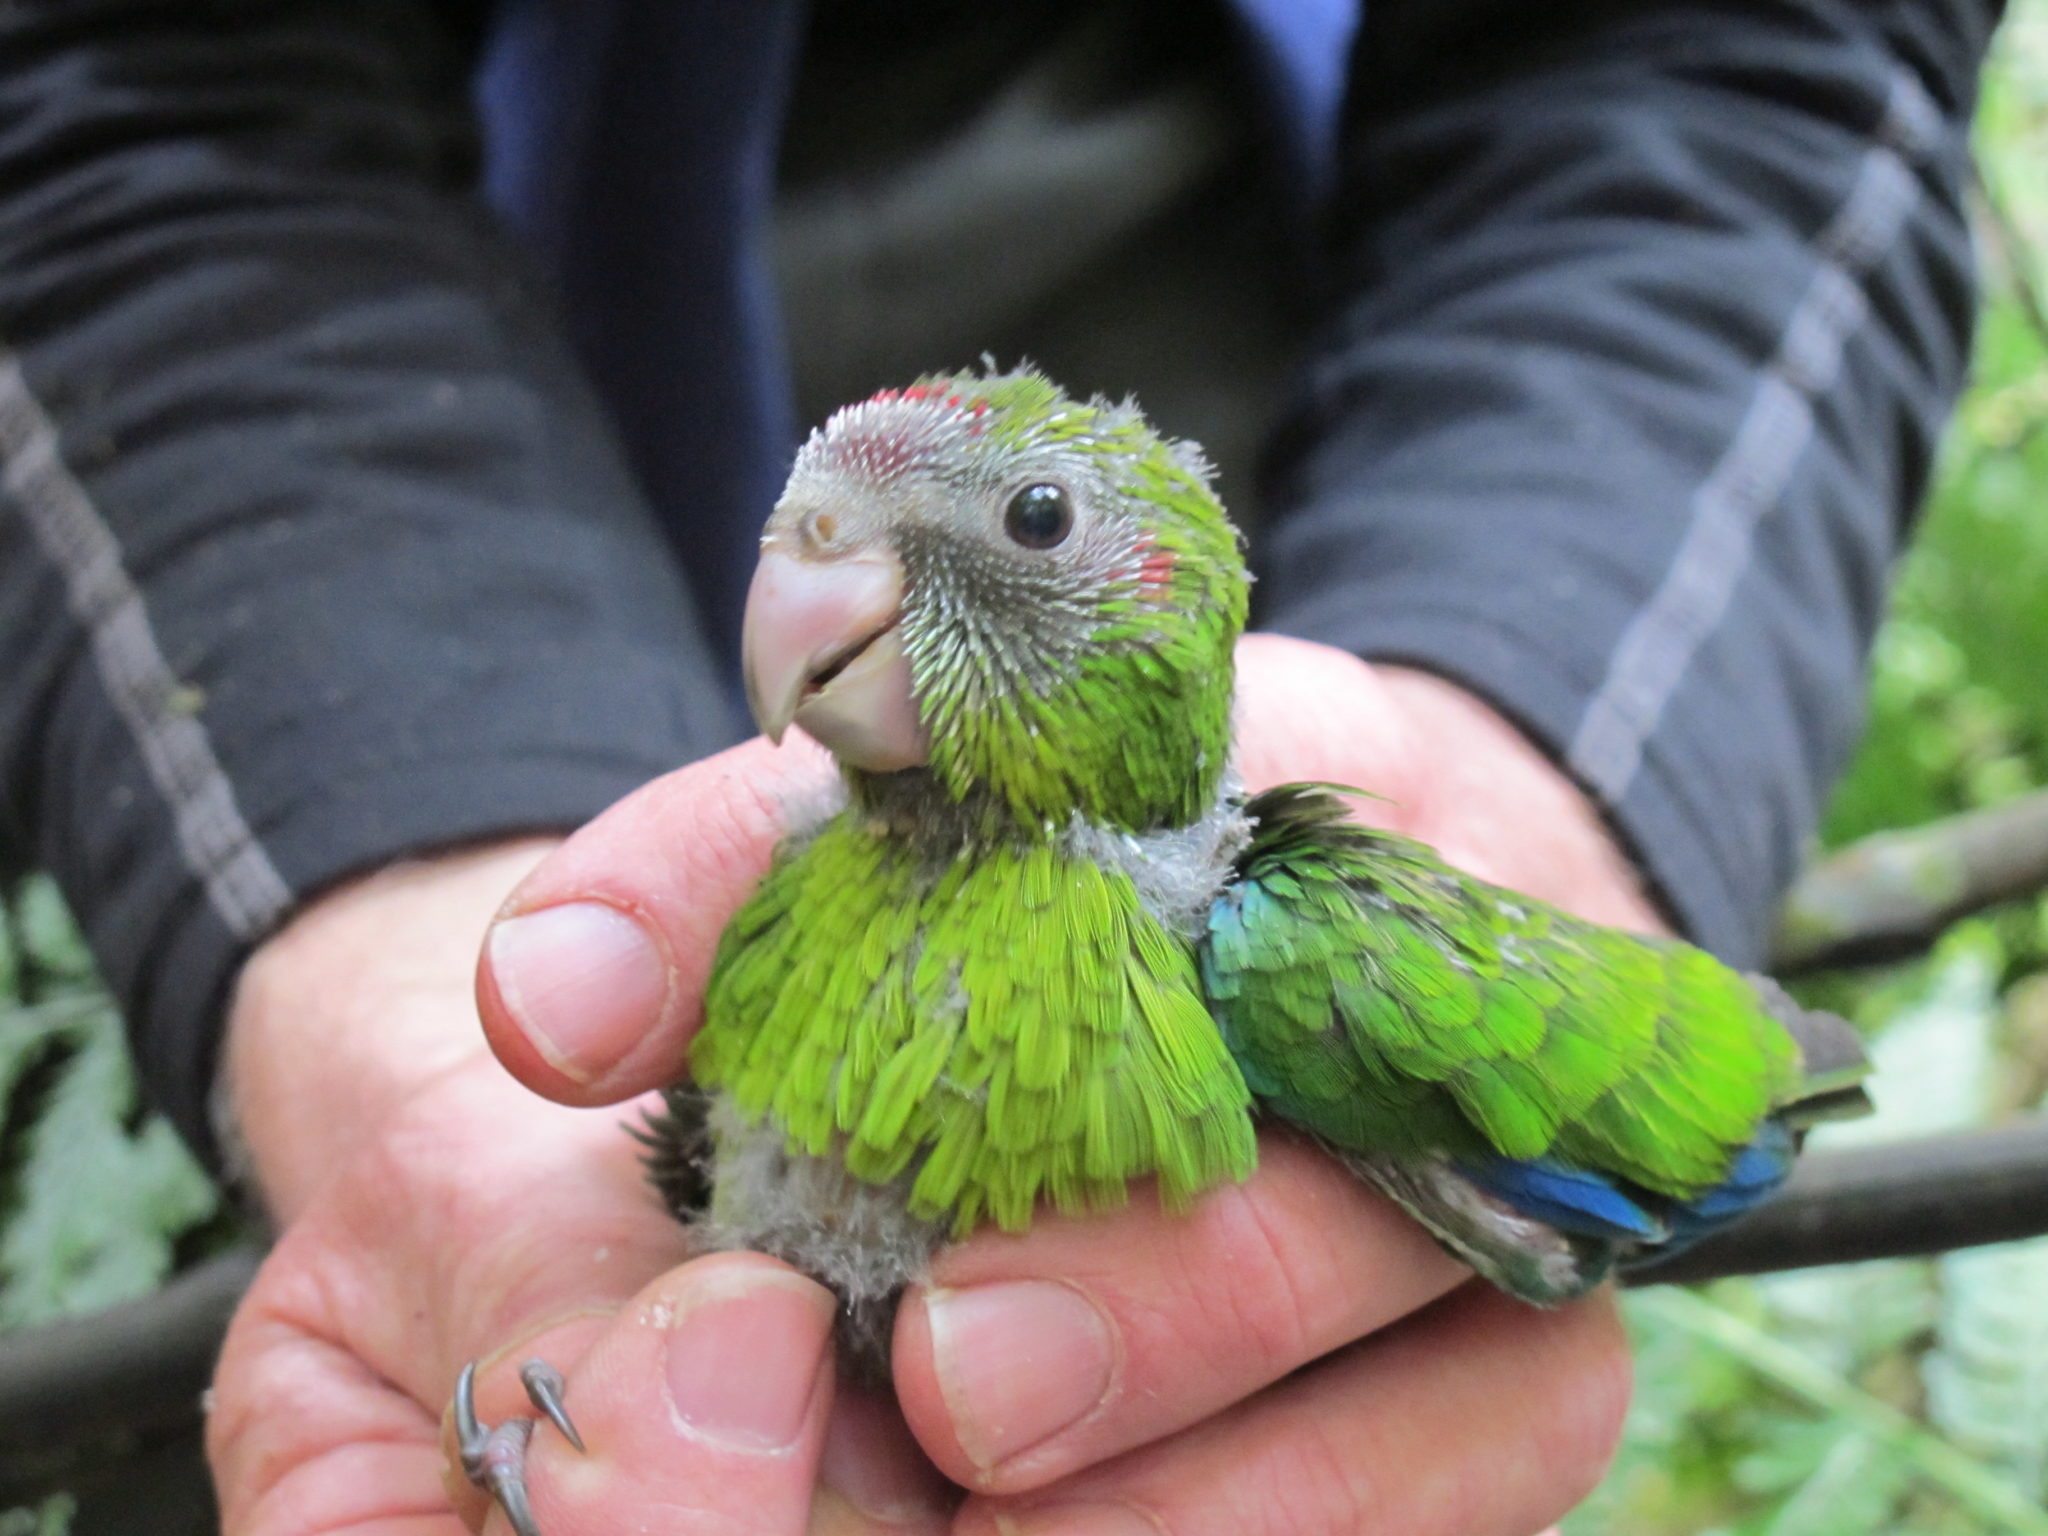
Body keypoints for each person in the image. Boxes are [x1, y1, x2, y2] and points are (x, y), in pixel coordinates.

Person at [0, 1, 2000, 1532]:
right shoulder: (780, 921)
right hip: (395, 518)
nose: (826, 588)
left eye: (1016, 535)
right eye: (823, 540)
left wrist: (1543, 733)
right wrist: (412, 998)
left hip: (1387, 418)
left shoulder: (1291, 956)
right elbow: (110, 97)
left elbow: (1744, 68)